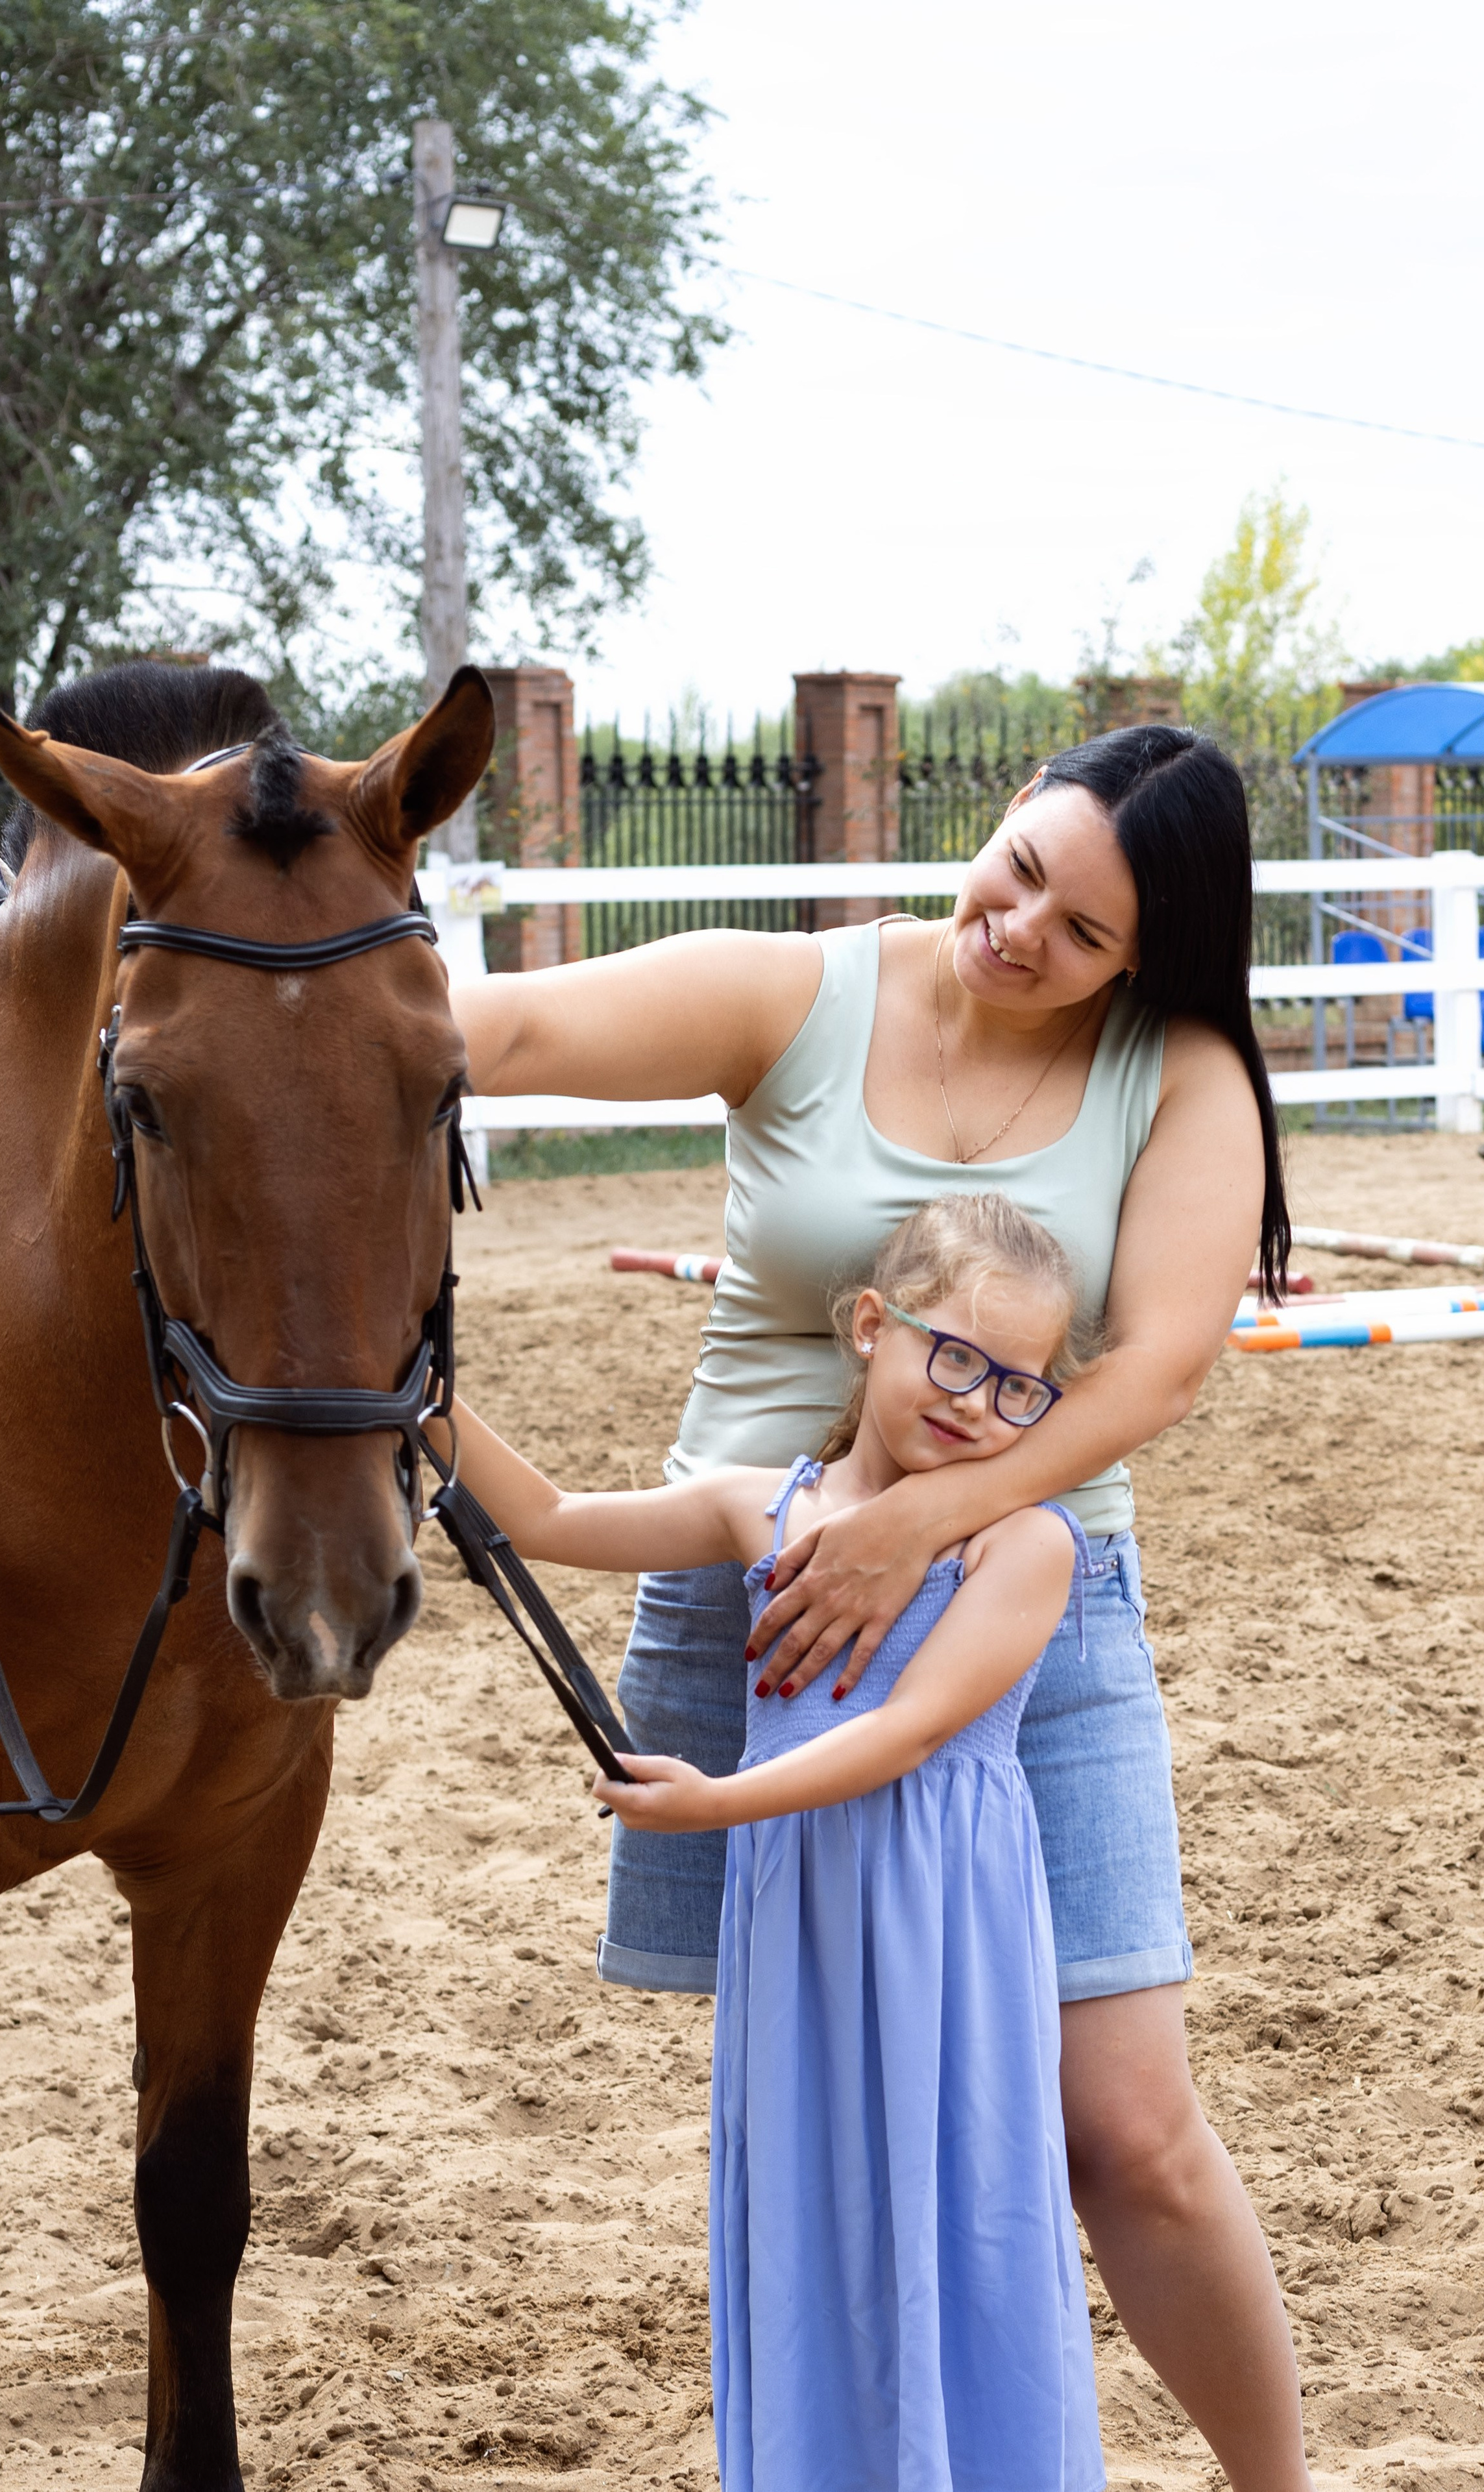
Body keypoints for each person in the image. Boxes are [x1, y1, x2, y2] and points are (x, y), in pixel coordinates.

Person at [454, 722, 1311, 2491]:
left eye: (1082, 931)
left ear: (1143, 956)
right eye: (1021, 873)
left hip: (1023, 1610)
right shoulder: (801, 997)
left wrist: (922, 1523)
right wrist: (250, 1012)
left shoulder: (1179, 1075)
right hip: (760, 1590)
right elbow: (506, 1033)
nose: (1020, 932)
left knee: (1128, 2133)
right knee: (829, 2113)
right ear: (1000, 818)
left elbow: (1156, 1366)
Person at [437, 1194, 1106, 2492]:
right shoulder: (764, 1509)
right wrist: (412, 1390)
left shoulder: (1022, 1543)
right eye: (953, 1357)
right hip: (799, 1914)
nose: (976, 1403)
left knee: (961, 2194)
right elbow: (551, 1521)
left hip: (942, 1928)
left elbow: (910, 1730)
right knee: (808, 2203)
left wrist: (716, 1805)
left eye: (1017, 1386)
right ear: (871, 1326)